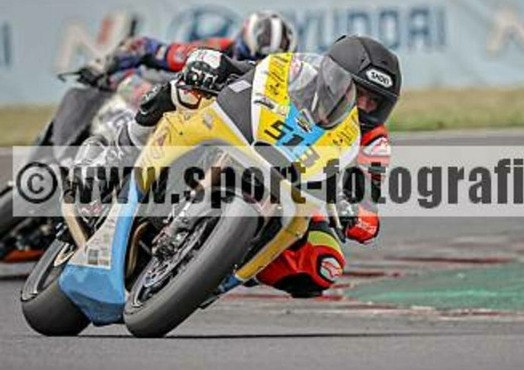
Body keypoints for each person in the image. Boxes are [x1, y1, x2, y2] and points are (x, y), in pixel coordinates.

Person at [85, 35, 402, 298]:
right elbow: (251, 72)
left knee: (325, 264)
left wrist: (353, 214)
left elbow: (369, 208)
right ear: (331, 76)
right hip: (245, 137)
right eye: (358, 92)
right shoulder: (301, 76)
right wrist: (214, 66)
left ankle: (219, 263)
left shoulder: (373, 142)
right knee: (182, 94)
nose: (362, 106)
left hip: (300, 191)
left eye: (373, 102)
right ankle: (115, 156)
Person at [102, 10, 297, 75]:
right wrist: (135, 50)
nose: (261, 64)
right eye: (260, 58)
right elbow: (158, 51)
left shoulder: (289, 76)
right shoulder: (216, 49)